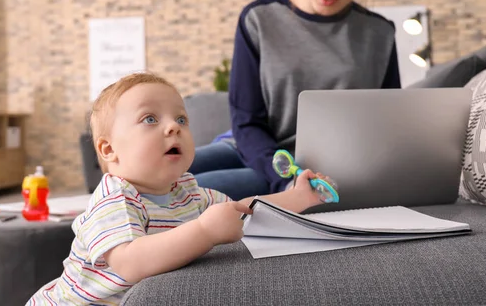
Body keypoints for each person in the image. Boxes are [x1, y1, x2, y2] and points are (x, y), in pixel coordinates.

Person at [26, 72, 333, 305]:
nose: (173, 126)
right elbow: (131, 263)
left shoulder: (186, 191)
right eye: (150, 118)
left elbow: (244, 207)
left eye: (181, 119)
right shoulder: (115, 197)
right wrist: (205, 232)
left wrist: (297, 196)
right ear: (109, 150)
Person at [190, 0, 400, 200]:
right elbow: (247, 122)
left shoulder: (380, 35)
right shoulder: (258, 19)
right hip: (251, 148)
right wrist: (283, 180)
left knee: (181, 196)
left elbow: (388, 123)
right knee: (150, 177)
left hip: (315, 170)